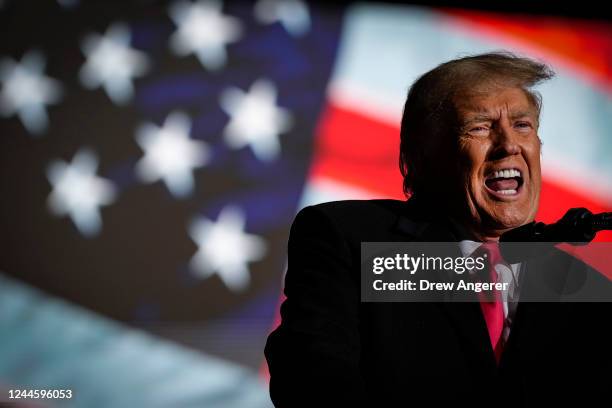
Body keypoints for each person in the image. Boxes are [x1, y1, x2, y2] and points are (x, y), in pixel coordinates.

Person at [264, 52, 611, 406]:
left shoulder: (583, 288)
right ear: (422, 155)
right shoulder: (351, 239)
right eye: (479, 126)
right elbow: (311, 381)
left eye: (523, 125)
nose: (508, 145)